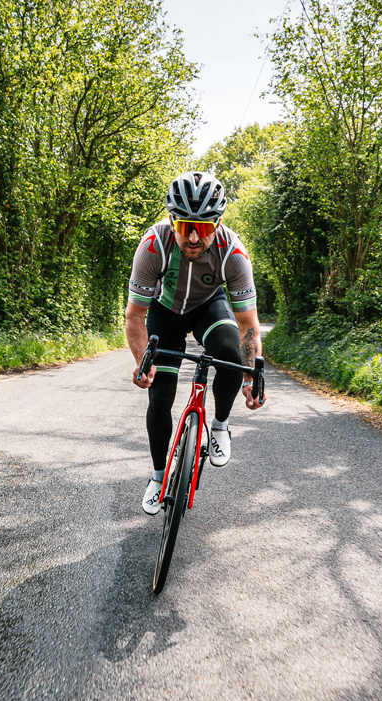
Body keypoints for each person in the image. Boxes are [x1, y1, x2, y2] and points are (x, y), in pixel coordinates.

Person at [125, 170, 266, 515]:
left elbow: (248, 325)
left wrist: (251, 379)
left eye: (202, 228)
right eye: (184, 225)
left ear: (216, 225)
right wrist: (145, 363)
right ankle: (159, 479)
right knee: (160, 394)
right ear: (171, 220)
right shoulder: (154, 245)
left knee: (230, 352)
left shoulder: (233, 253)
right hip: (165, 311)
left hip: (208, 307)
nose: (191, 236)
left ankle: (219, 426)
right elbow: (135, 316)